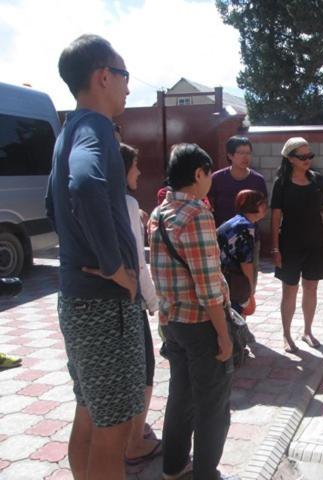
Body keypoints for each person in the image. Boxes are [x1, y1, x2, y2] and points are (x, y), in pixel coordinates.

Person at [45, 34, 144, 480]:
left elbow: (54, 205)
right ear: (104, 76)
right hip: (105, 305)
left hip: (77, 299)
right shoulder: (98, 128)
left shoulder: (67, 130)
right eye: (124, 76)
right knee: (115, 429)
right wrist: (114, 267)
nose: (127, 87)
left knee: (90, 413)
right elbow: (84, 186)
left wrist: (81, 251)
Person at [148, 143, 235, 480]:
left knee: (181, 396)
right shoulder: (197, 215)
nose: (210, 180)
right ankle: (205, 473)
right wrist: (224, 336)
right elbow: (209, 286)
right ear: (198, 174)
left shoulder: (159, 213)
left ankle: (173, 467)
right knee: (213, 405)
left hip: (173, 322)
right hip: (201, 326)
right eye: (209, 173)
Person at [271, 137, 323, 353]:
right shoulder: (281, 183)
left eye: (310, 155)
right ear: (290, 158)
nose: (307, 159)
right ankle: (286, 334)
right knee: (289, 291)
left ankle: (307, 331)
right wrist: (275, 248)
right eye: (302, 156)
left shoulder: (317, 181)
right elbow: (275, 217)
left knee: (311, 287)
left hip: (315, 243)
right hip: (290, 244)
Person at [119, 143, 162, 465]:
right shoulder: (127, 205)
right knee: (145, 369)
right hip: (128, 298)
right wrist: (153, 301)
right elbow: (138, 260)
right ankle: (134, 442)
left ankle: (127, 432)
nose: (139, 172)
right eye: (134, 166)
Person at [217, 190, 268, 315]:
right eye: (262, 204)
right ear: (254, 205)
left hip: (221, 275)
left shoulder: (236, 221)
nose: (266, 207)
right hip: (232, 281)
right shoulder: (246, 227)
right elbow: (246, 263)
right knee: (234, 317)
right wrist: (250, 293)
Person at [209, 136, 268, 227]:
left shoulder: (258, 180)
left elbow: (263, 209)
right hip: (222, 234)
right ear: (230, 155)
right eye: (241, 153)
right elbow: (209, 206)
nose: (245, 157)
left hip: (249, 234)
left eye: (248, 153)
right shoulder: (217, 178)